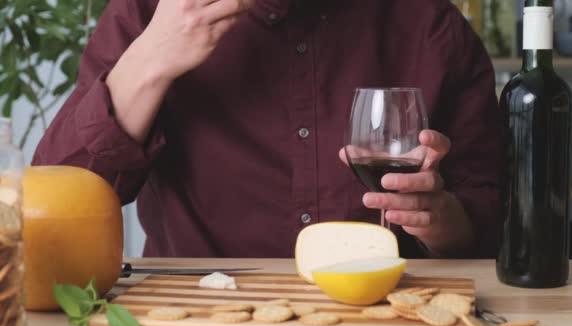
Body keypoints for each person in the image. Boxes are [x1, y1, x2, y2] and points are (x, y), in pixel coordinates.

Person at [33, 0, 505, 258]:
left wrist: (437, 218)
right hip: (194, 318)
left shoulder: (427, 23)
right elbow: (52, 208)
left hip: (385, 317)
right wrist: (152, 58)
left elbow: (489, 222)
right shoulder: (145, 11)